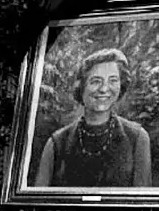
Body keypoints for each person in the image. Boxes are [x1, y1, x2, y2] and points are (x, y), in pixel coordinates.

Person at [35, 47, 152, 187]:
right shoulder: (56, 143)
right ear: (81, 86)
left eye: (113, 80)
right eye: (96, 81)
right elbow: (39, 203)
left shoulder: (137, 138)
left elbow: (143, 204)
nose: (104, 89)